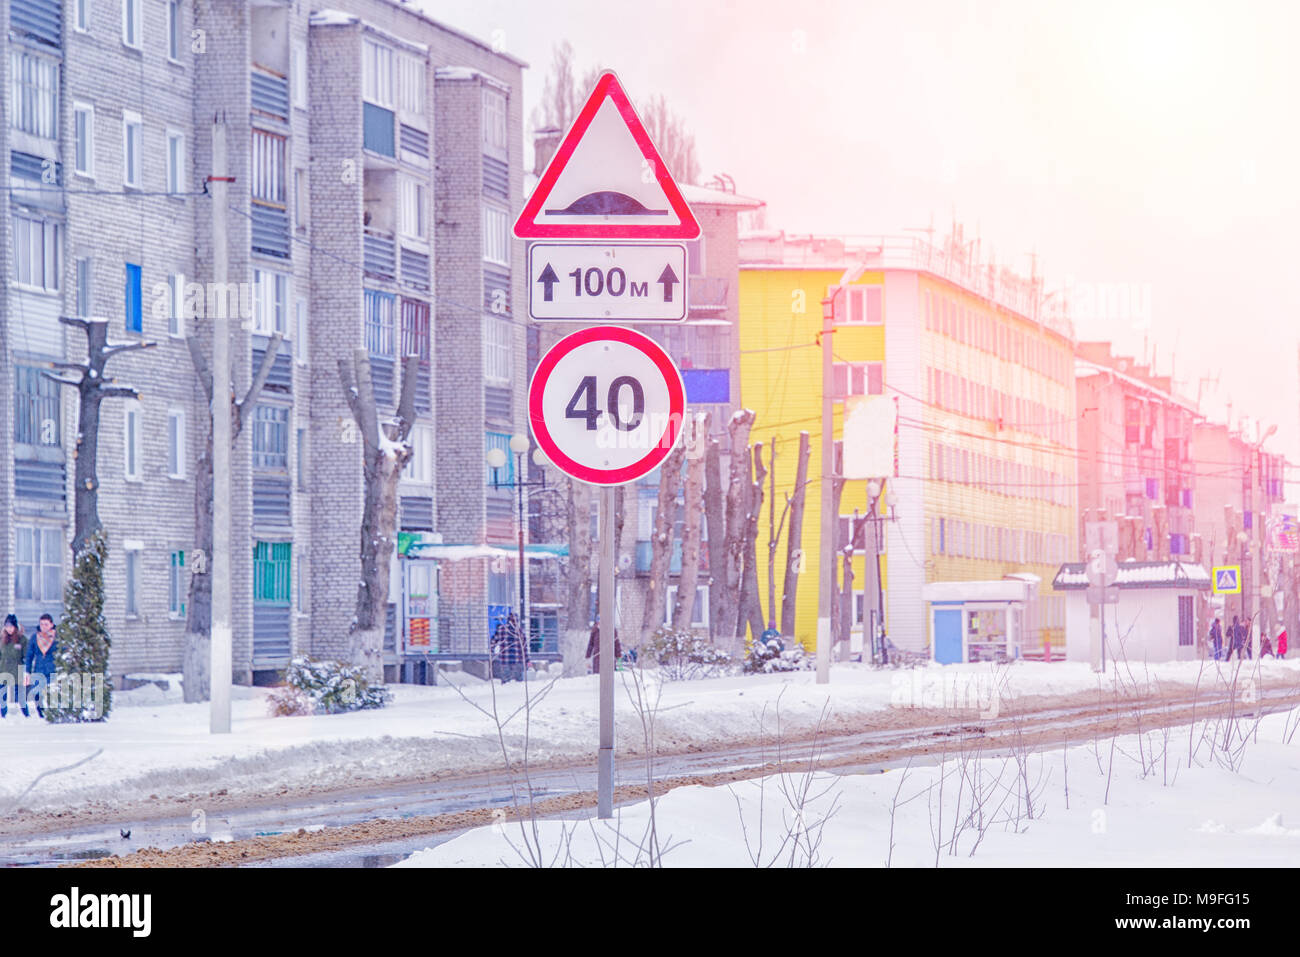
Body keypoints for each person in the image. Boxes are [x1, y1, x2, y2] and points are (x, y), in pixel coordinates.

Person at [25, 613, 57, 719]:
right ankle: (41, 713)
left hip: (52, 669)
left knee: (51, 692)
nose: (44, 626)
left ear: (51, 624)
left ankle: (53, 712)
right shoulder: (35, 637)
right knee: (36, 693)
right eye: (42, 624)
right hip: (38, 669)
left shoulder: (57, 637)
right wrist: (27, 671)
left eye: (46, 624)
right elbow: (29, 655)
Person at [0, 615, 25, 718]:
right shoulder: (1, 639)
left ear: (15, 627)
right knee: (2, 695)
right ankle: (3, 716)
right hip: (3, 670)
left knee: (19, 695)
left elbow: (26, 655)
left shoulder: (21, 639)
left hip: (16, 670)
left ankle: (26, 715)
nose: (9, 628)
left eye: (11, 626)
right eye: (7, 626)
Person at [490, 612, 525, 683]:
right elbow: (524, 647)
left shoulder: (501, 629)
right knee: (518, 683)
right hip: (517, 660)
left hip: (504, 659)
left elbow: (493, 642)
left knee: (505, 682)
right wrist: (527, 661)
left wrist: (492, 651)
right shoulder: (519, 631)